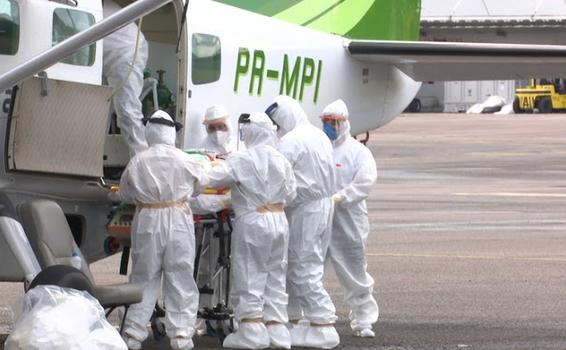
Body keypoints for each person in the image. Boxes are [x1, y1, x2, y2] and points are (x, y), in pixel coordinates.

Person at [109, 110, 206, 350]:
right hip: (178, 219)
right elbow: (200, 186)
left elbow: (124, 193)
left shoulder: (138, 160)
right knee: (181, 277)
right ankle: (182, 337)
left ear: (149, 131)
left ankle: (132, 334)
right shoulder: (186, 159)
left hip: (148, 220)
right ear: (172, 132)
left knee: (144, 277)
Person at [203, 112, 297, 349]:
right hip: (279, 220)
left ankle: (251, 331)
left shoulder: (242, 159)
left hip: (254, 222)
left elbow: (212, 179)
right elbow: (292, 193)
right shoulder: (281, 159)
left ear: (252, 132)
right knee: (275, 275)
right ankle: (277, 330)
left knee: (249, 274)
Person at [265, 96, 339, 349]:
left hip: (305, 209)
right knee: (311, 263)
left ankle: (323, 321)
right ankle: (295, 318)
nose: (277, 127)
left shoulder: (290, 141)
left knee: (299, 265)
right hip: (324, 205)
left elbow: (277, 176)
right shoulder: (318, 135)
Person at [320, 99, 379, 337]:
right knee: (310, 268)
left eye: (333, 122)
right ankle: (313, 316)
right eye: (325, 122)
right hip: (321, 217)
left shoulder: (358, 152)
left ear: (344, 124)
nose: (329, 127)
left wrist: (342, 197)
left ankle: (363, 319)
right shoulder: (319, 147)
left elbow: (365, 182)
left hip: (349, 218)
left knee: (354, 270)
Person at [103, 0, 149, 157]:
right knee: (100, 108)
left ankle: (143, 161)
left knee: (127, 110)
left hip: (128, 52)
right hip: (107, 57)